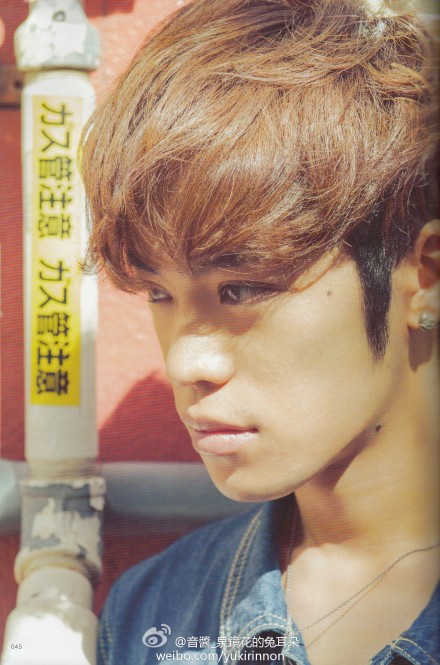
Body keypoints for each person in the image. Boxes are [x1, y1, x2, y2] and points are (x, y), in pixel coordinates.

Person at [81, 0, 439, 663]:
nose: (187, 362)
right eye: (159, 293)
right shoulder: (150, 615)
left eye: (241, 289)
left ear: (424, 275)